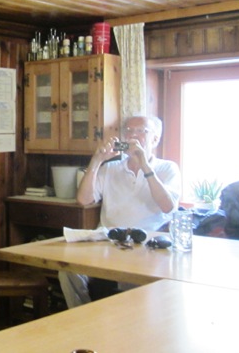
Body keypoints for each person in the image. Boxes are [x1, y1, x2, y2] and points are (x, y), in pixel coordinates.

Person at [59, 115, 181, 308]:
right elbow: (83, 200)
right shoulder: (111, 168)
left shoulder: (167, 168)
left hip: (146, 247)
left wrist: (145, 167)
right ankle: (82, 318)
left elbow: (168, 206)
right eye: (129, 131)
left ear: (155, 139)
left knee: (131, 280)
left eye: (141, 131)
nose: (133, 136)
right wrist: (97, 161)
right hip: (107, 241)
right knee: (67, 271)